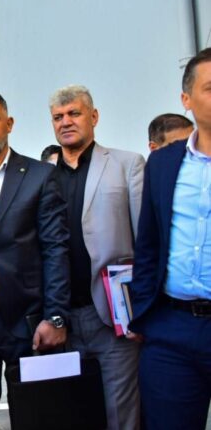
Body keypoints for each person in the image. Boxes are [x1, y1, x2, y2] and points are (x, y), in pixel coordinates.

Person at [0, 90, 70, 428]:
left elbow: (55, 249)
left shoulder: (40, 175)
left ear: (9, 124)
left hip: (28, 321)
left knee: (36, 417)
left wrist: (56, 317)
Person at [49, 85, 144, 430]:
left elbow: (145, 243)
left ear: (94, 116)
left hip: (113, 317)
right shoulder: (42, 174)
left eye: (74, 113)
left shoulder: (127, 164)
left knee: (122, 416)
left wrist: (140, 312)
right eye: (58, 117)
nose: (66, 122)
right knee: (72, 415)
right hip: (60, 319)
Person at [129, 47, 211, 429]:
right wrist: (143, 312)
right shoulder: (163, 163)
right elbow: (148, 244)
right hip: (171, 328)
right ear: (186, 100)